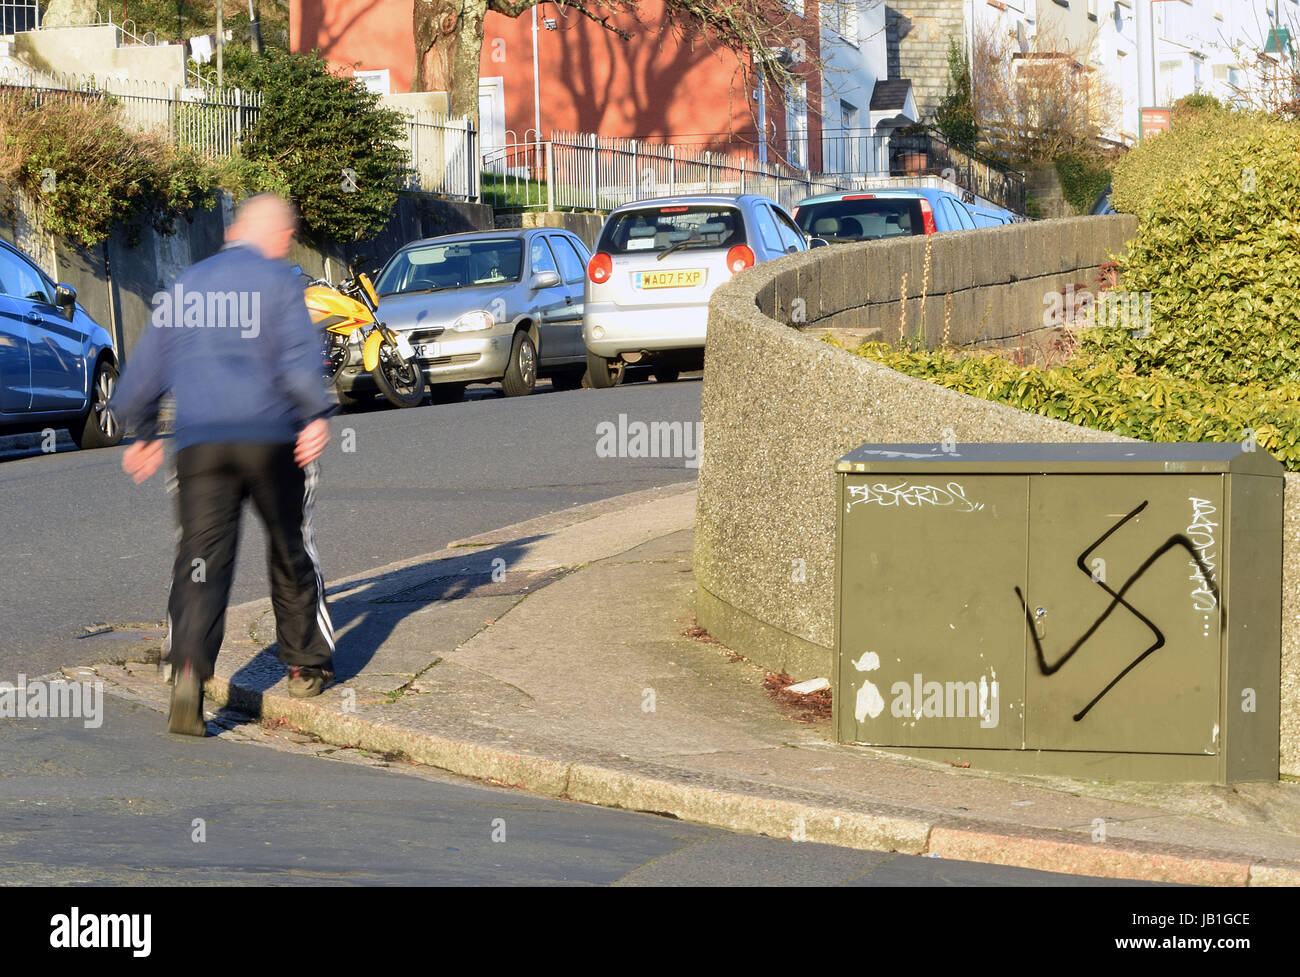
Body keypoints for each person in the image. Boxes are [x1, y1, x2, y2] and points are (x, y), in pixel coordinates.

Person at [110, 193, 338, 737]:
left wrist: (139, 430)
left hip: (200, 443)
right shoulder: (283, 282)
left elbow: (147, 364)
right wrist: (315, 415)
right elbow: (298, 360)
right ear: (278, 236)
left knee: (200, 559)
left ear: (234, 232)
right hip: (269, 437)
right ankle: (305, 664)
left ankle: (188, 670)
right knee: (289, 545)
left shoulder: (187, 285)